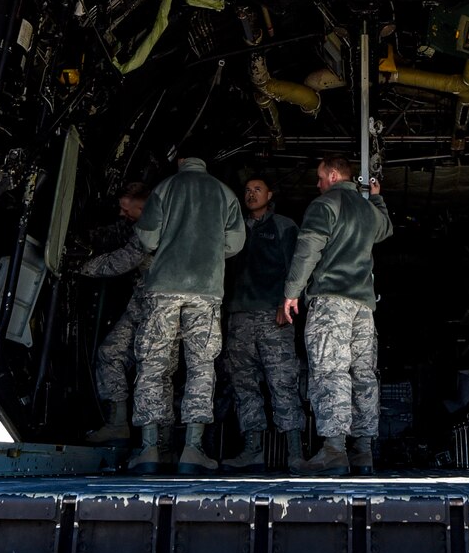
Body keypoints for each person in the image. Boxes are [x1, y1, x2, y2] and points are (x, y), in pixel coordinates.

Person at [130, 153, 245, 475]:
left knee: (153, 364)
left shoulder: (165, 188)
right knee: (201, 366)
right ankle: (193, 450)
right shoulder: (224, 193)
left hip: (164, 287)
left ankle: (151, 448)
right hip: (206, 290)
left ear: (181, 160)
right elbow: (235, 243)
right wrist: (208, 252)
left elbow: (148, 238)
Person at [278, 155, 392, 477]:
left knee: (330, 373)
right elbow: (386, 228)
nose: (316, 184)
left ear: (332, 174)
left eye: (319, 177)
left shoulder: (325, 204)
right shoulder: (368, 209)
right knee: (363, 377)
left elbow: (307, 250)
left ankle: (333, 452)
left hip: (332, 302)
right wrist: (378, 197)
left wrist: (291, 292)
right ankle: (363, 453)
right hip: (363, 307)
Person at [224, 176, 303, 471]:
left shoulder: (284, 226)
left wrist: (289, 302)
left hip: (274, 315)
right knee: (243, 383)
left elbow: (298, 267)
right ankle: (252, 449)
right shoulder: (234, 228)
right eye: (246, 190)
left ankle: (295, 452)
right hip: (239, 315)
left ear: (270, 194)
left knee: (282, 381)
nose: (251, 194)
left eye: (257, 189)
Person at [78, 181, 150, 445]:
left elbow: (124, 260)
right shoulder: (145, 224)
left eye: (124, 207)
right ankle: (119, 424)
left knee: (156, 370)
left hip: (156, 306)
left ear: (140, 204)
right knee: (111, 354)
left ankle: (157, 445)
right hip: (146, 304)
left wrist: (82, 266)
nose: (122, 213)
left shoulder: (151, 226)